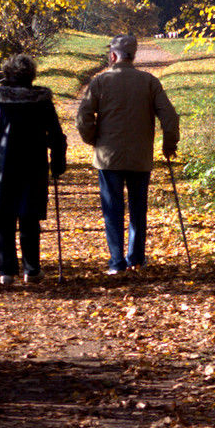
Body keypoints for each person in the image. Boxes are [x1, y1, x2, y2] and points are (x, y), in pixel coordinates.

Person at [76, 34, 180, 275]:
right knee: (137, 207)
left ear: (113, 56)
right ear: (132, 56)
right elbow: (170, 117)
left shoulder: (99, 82)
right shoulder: (149, 82)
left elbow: (83, 117)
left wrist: (93, 139)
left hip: (107, 157)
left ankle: (116, 263)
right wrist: (169, 144)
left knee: (112, 209)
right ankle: (135, 257)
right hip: (140, 156)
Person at [0, 53, 67, 287]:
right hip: (32, 166)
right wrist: (57, 163)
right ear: (31, 75)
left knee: (2, 218)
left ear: (6, 74)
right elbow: (56, 135)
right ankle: (31, 270)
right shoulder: (41, 101)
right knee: (29, 217)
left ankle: (6, 271)